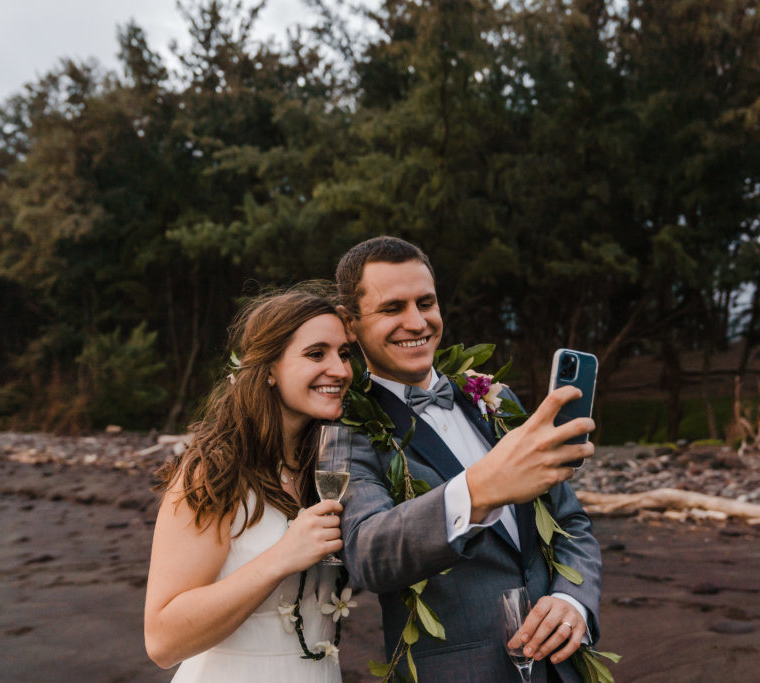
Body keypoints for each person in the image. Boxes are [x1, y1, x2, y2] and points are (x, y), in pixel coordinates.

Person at [335, 236, 603, 682]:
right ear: (349, 323)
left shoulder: (494, 398)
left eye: (426, 302)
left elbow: (571, 522)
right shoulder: (347, 429)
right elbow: (369, 552)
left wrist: (574, 601)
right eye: (392, 308)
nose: (416, 322)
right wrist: (479, 489)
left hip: (563, 667)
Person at [144, 288, 353, 682]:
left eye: (344, 354)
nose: (340, 370)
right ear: (269, 368)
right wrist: (280, 558)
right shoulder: (213, 472)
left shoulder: (328, 467)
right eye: (316, 354)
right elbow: (162, 641)